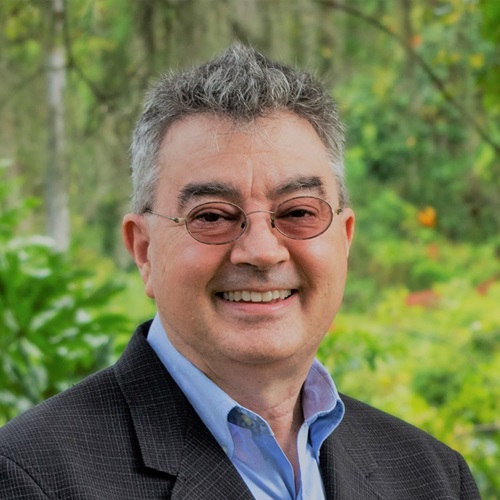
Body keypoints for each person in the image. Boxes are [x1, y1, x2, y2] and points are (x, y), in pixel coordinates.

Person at [0, 44, 479, 500]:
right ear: (144, 251)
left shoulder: (433, 477)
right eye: (212, 216)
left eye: (298, 212)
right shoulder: (31, 477)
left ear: (345, 238)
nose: (261, 252)